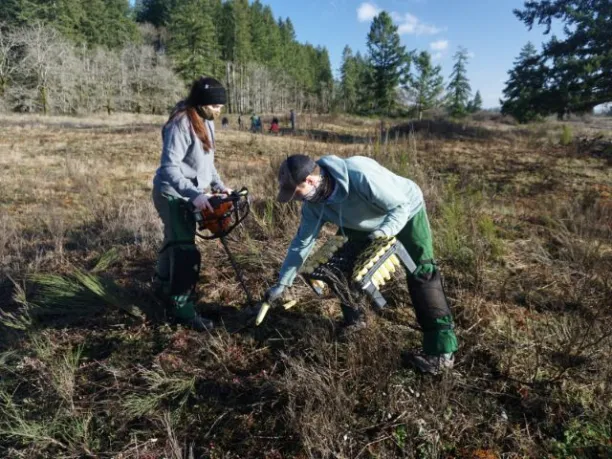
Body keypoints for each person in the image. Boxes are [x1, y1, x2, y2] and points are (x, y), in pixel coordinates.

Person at [264, 154, 459, 374]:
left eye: (296, 193)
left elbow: (400, 207)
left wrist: (383, 234)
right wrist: (283, 283)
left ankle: (441, 351)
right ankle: (355, 323)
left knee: (422, 273)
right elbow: (301, 244)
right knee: (340, 267)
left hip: (405, 211)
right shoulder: (313, 205)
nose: (297, 200)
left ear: (310, 181)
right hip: (359, 224)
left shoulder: (359, 174)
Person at [152, 76, 232, 331]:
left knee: (173, 241)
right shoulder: (180, 124)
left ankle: (162, 285)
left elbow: (207, 162)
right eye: (216, 106)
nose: (220, 110)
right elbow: (168, 168)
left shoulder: (206, 122)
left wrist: (219, 186)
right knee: (186, 251)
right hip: (172, 194)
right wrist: (194, 194)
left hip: (191, 193)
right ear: (203, 102)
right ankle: (181, 309)